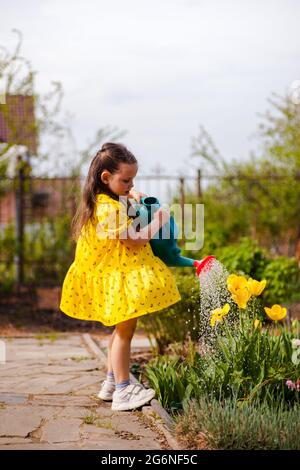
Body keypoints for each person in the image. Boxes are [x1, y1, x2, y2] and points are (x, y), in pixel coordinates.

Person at [60, 142, 181, 411]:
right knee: (125, 333)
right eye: (126, 180)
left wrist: (130, 196)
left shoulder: (103, 203)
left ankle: (112, 381)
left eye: (132, 179)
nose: (130, 184)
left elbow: (124, 214)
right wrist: (158, 221)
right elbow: (136, 240)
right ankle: (124, 390)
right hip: (122, 279)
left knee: (120, 329)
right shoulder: (109, 210)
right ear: (106, 178)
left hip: (116, 275)